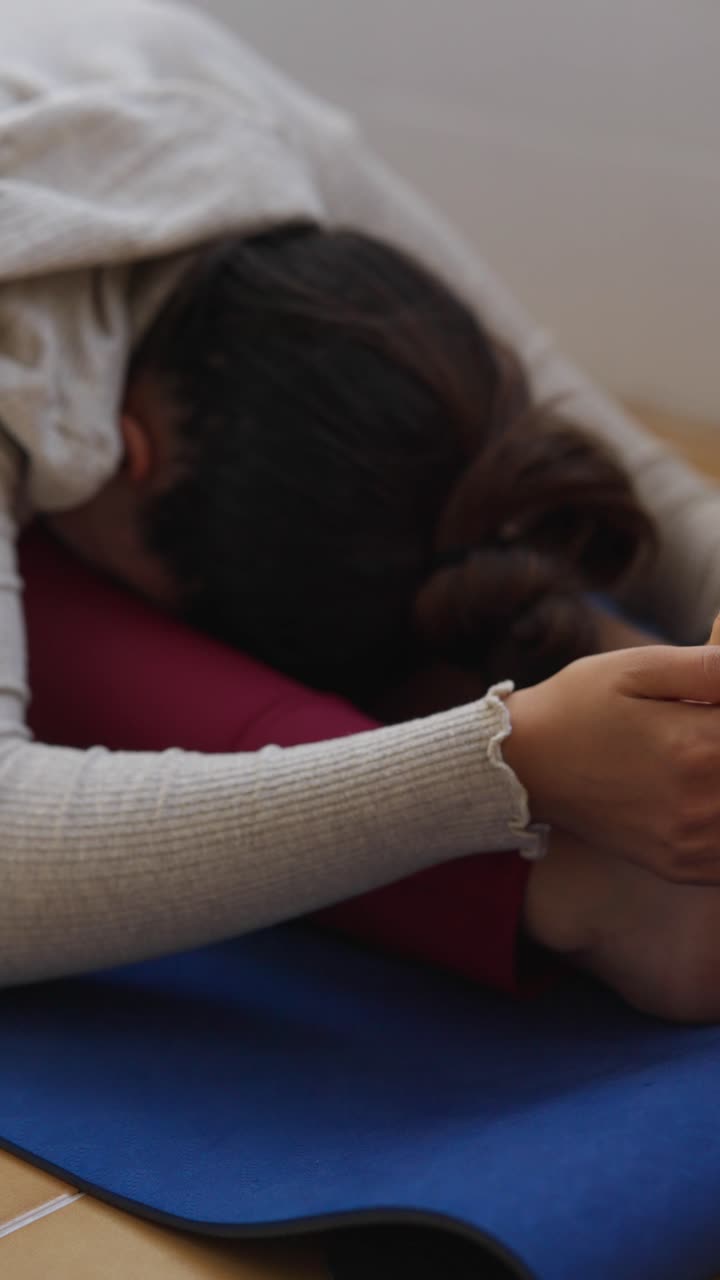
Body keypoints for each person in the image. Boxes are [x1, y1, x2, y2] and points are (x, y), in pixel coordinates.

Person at [3, 0, 720, 1008]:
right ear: (132, 452)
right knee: (55, 591)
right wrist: (504, 761)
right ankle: (576, 880)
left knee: (442, 463)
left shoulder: (223, 119)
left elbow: (578, 422)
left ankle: (609, 747)